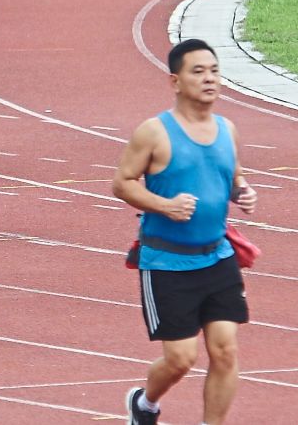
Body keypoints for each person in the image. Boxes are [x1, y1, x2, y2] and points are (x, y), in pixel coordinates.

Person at [112, 39, 258, 425]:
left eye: (213, 70)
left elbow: (232, 176)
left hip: (218, 257)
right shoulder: (154, 133)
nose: (209, 78)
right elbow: (123, 183)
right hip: (166, 262)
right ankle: (144, 402)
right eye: (198, 71)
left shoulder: (228, 129)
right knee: (181, 359)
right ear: (175, 81)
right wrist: (164, 205)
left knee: (225, 352)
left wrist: (242, 191)